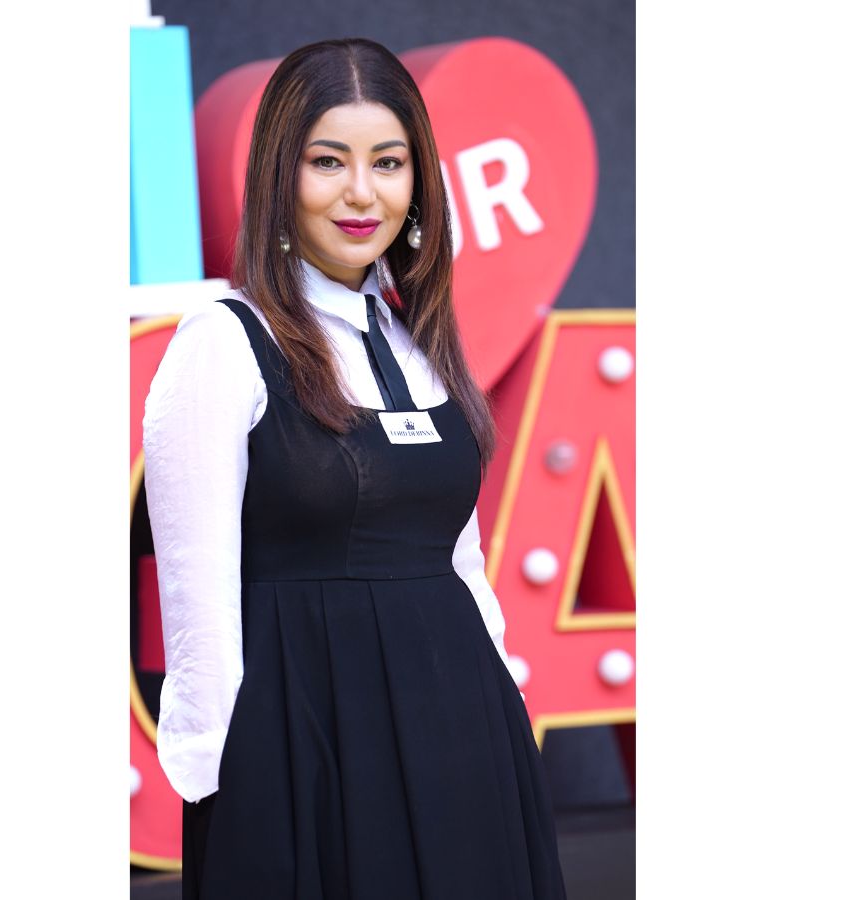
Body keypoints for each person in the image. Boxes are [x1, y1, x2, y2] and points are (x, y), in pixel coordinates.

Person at [143, 37, 568, 900]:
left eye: (389, 162)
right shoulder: (224, 342)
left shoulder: (422, 338)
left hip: (466, 735)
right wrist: (218, 774)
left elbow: (461, 562)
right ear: (279, 174)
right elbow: (196, 591)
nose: (362, 192)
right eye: (328, 161)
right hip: (307, 742)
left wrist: (505, 708)